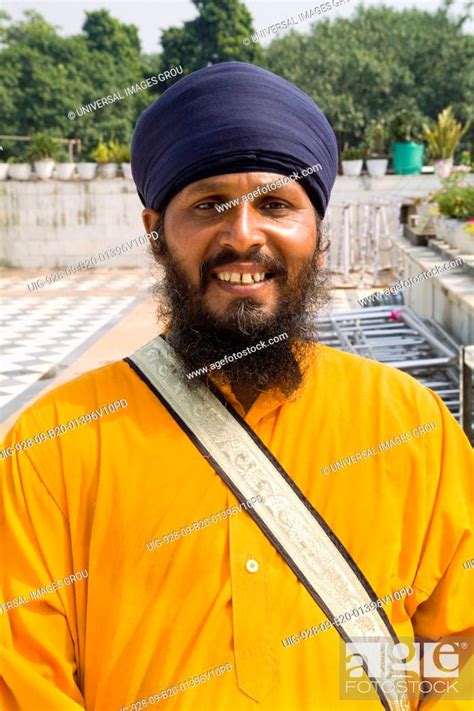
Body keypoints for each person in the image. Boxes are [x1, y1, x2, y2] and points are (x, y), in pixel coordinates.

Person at [1, 62, 472, 711]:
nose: (244, 234)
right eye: (208, 205)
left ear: (318, 233)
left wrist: (341, 675)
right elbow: (22, 679)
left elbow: (454, 646)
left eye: (277, 203)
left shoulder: (411, 425)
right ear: (156, 235)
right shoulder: (51, 445)